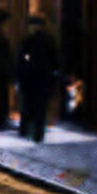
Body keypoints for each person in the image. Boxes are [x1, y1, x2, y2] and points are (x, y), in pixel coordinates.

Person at [17, 15, 59, 143]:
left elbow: (21, 60)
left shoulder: (30, 40)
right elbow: (55, 61)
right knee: (38, 107)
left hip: (33, 79)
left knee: (30, 106)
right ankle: (36, 133)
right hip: (40, 79)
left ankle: (29, 131)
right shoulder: (46, 40)